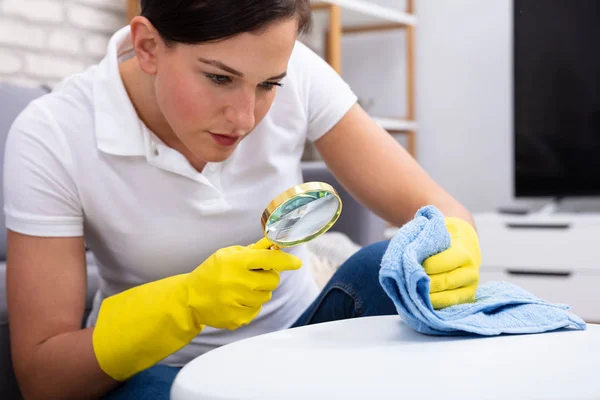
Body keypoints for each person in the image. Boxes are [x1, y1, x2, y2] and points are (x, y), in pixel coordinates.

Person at [4, 0, 481, 398]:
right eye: (218, 78)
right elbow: (42, 377)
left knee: (389, 264)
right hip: (157, 367)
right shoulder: (53, 132)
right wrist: (185, 305)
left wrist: (454, 240)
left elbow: (438, 210)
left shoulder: (300, 73)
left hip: (297, 336)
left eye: (269, 85)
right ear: (148, 46)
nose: (245, 117)